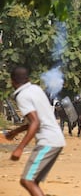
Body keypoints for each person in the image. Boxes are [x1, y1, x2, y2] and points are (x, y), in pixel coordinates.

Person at [5, 66, 66, 196]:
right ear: (28, 79)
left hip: (48, 141)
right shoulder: (36, 89)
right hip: (56, 139)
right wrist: (16, 131)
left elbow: (35, 122)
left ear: (12, 81)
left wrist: (20, 148)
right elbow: (39, 118)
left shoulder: (22, 96)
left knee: (27, 181)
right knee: (34, 181)